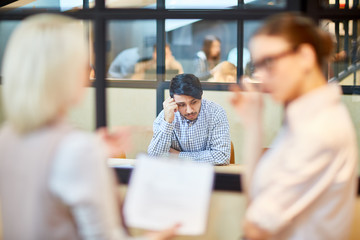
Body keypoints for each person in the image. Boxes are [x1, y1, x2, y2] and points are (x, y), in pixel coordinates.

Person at [0, 14, 178, 240]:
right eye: (83, 65)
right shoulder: (76, 150)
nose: (89, 73)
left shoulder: (6, 138)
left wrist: (93, 150)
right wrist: (159, 236)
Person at [230, 13, 358, 240]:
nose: (260, 75)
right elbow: (258, 205)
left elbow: (254, 228)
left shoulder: (318, 131)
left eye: (269, 62)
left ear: (305, 57)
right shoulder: (303, 117)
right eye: (256, 65)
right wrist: (254, 124)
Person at [148, 73, 231, 165]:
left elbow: (222, 156)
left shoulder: (216, 112)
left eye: (194, 102)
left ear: (201, 96)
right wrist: (168, 122)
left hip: (207, 175)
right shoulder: (166, 115)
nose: (189, 110)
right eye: (181, 105)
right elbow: (154, 158)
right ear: (173, 101)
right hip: (174, 176)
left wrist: (177, 155)